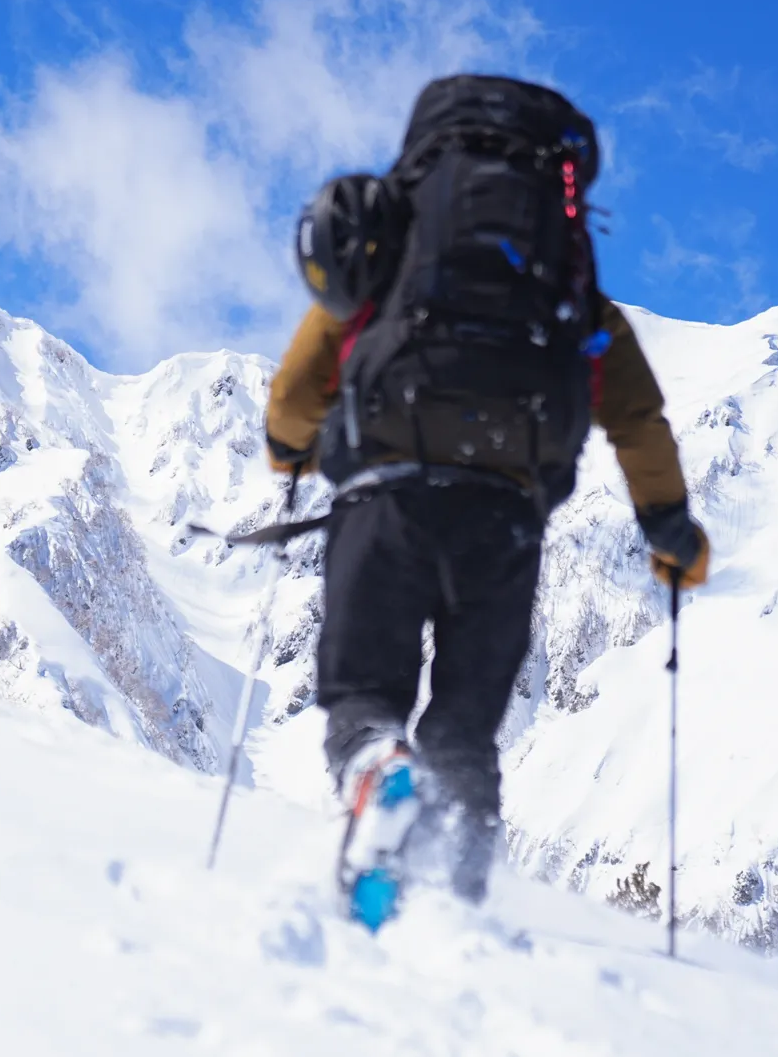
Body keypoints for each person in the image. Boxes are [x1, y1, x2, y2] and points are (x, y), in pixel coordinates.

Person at [264, 75, 708, 908]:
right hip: (505, 519)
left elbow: (295, 394)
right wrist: (671, 529)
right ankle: (457, 894)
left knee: (365, 695)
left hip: (386, 499)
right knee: (465, 730)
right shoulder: (567, 287)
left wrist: (288, 450)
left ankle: (376, 773)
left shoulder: (387, 246)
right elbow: (638, 419)